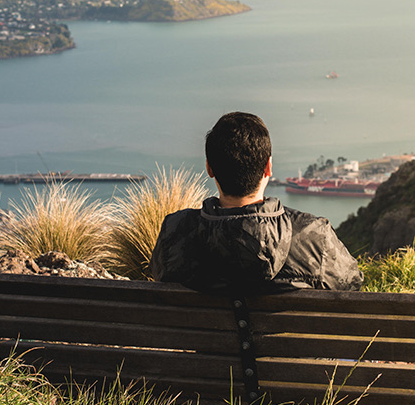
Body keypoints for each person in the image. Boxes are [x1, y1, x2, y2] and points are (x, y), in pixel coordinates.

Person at [150, 111, 363, 292]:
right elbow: (352, 286)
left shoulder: (175, 232)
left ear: (209, 169)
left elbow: (160, 276)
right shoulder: (314, 236)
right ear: (268, 168)